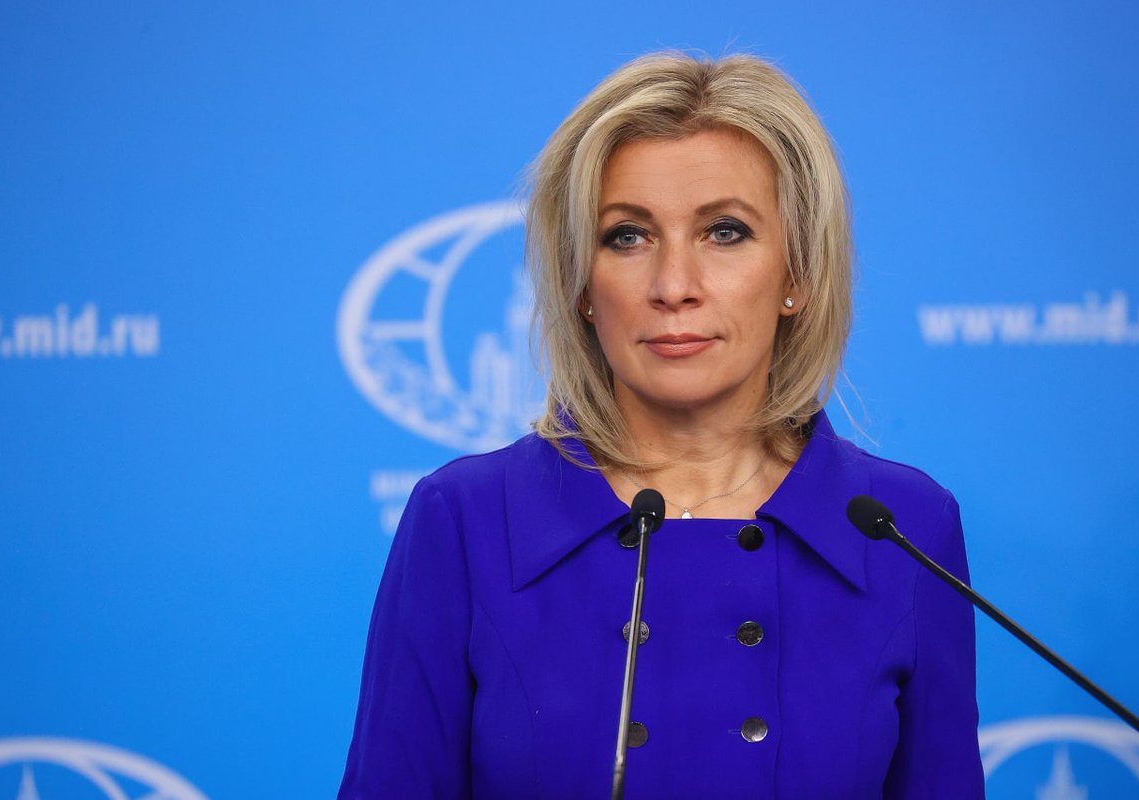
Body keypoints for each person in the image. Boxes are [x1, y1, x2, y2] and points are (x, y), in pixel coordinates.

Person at [338, 51, 983, 798]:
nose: (674, 286)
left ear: (798, 274)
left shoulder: (903, 527)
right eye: (627, 236)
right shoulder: (465, 520)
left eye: (725, 232)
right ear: (581, 283)